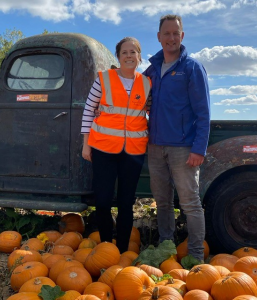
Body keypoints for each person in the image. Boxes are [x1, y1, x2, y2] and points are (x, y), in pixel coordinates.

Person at [143, 14, 211, 262]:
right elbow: (133, 98)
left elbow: (203, 113)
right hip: (155, 146)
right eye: (167, 33)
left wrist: (198, 149)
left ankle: (196, 256)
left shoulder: (192, 68)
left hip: (184, 148)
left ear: (182, 36)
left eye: (176, 33)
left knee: (190, 202)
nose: (171, 38)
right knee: (162, 201)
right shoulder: (151, 70)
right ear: (159, 37)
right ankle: (166, 248)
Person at [81, 37, 152, 253]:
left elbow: (150, 112)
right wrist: (86, 145)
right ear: (118, 57)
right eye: (124, 52)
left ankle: (121, 252)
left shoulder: (147, 83)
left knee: (126, 203)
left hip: (133, 151)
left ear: (139, 57)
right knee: (102, 201)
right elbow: (88, 110)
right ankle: (105, 248)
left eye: (133, 52)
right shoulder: (103, 80)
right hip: (103, 148)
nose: (129, 56)